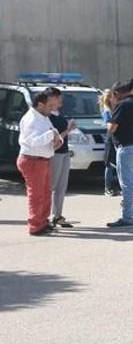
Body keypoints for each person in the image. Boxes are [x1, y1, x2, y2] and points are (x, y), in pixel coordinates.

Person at [18, 89, 64, 235]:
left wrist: (58, 139)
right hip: (32, 161)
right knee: (37, 195)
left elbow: (53, 131)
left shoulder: (43, 116)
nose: (52, 109)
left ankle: (43, 222)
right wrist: (52, 135)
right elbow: (33, 141)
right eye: (49, 106)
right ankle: (35, 225)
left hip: (42, 160)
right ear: (40, 105)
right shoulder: (31, 119)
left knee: (45, 193)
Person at [106, 80, 133, 227]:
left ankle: (127, 217)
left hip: (127, 148)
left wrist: (108, 120)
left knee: (127, 185)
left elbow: (112, 128)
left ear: (117, 93)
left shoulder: (122, 105)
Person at [46, 87, 75, 228]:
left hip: (64, 152)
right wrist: (68, 130)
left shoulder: (59, 114)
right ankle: (44, 216)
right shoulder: (46, 117)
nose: (60, 100)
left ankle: (58, 215)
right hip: (54, 154)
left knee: (61, 186)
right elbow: (54, 139)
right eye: (58, 97)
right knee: (51, 186)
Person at [99, 89, 120, 197]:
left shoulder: (117, 109)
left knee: (118, 164)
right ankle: (108, 188)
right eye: (112, 97)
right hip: (110, 139)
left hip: (117, 139)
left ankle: (118, 186)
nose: (114, 99)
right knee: (109, 164)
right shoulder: (107, 111)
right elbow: (109, 127)